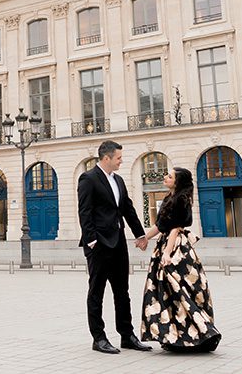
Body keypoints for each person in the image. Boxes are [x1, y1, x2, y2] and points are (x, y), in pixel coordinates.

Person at [77, 140, 151, 354]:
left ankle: (127, 336)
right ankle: (98, 338)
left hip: (118, 243)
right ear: (106, 158)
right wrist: (92, 241)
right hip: (99, 244)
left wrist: (140, 234)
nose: (121, 161)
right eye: (118, 158)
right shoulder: (88, 178)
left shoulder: (118, 180)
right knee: (96, 292)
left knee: (122, 292)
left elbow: (127, 208)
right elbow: (85, 212)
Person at [140, 167, 221, 353]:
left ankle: (194, 333)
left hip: (176, 247)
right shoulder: (169, 198)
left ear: (177, 181)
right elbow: (161, 226)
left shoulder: (181, 199)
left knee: (179, 288)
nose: (165, 177)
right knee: (169, 290)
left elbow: (175, 228)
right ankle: (174, 334)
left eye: (169, 176)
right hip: (166, 243)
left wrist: (167, 254)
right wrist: (145, 238)